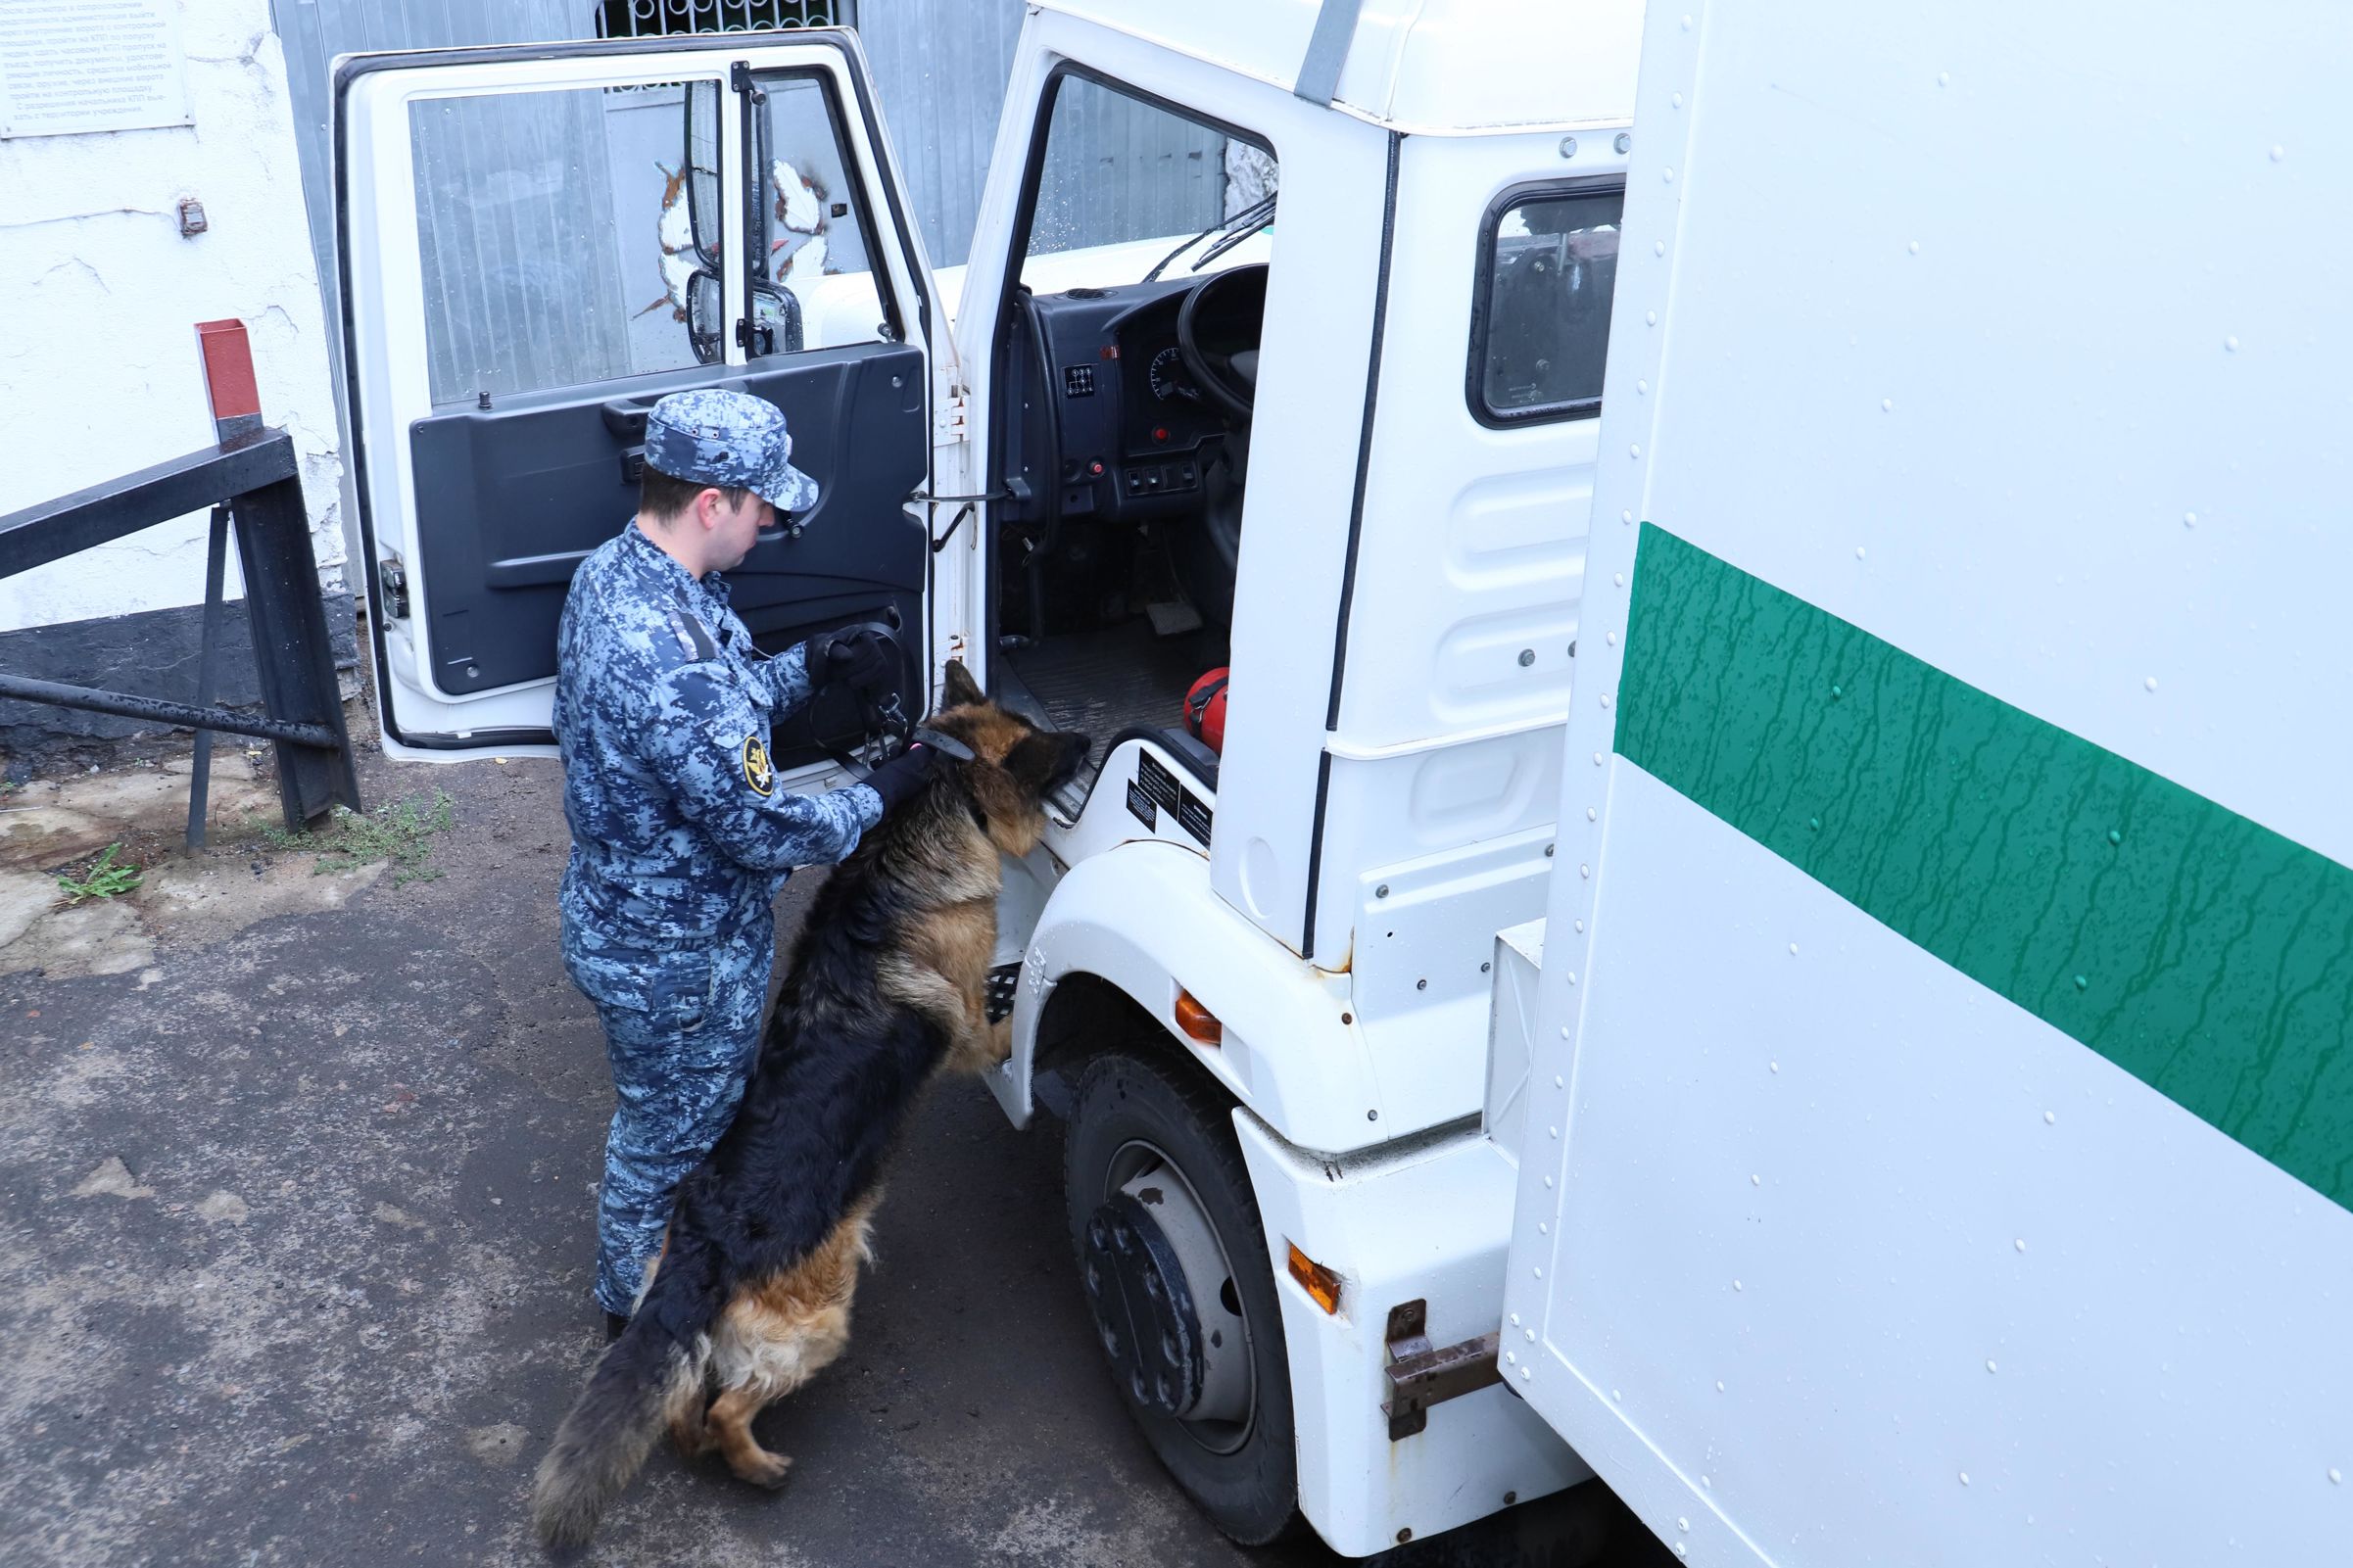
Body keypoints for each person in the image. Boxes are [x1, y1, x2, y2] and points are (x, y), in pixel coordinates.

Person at [552, 387, 934, 1335]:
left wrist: (812, 664)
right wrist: (892, 788)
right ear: (712, 500)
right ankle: (640, 1323)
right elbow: (761, 828)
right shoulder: (667, 651)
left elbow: (711, 710)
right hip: (677, 953)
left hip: (633, 916)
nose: (772, 521)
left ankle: (647, 1302)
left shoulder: (622, 576)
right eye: (762, 503)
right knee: (672, 1141)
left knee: (665, 1124)